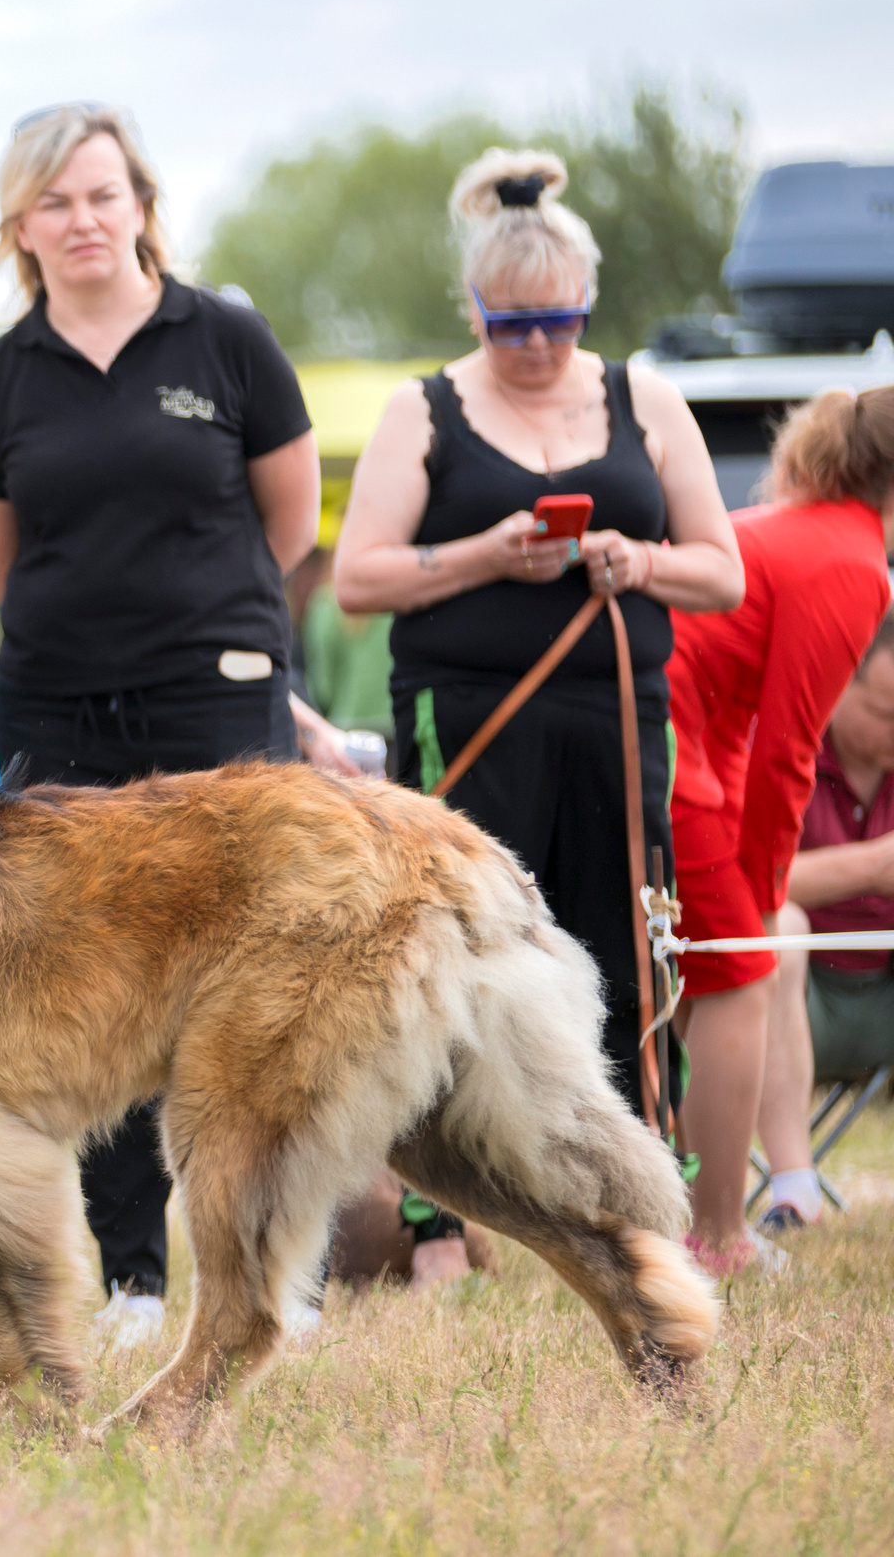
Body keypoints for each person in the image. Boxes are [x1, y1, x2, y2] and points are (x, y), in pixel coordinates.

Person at [0, 103, 340, 1350]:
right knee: (90, 989)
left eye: (101, 195)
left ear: (142, 205)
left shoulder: (224, 339)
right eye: (54, 201)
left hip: (214, 697)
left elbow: (288, 527)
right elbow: (1, 563)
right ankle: (132, 1282)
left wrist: (213, 633)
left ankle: (270, 1275)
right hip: (61, 710)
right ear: (19, 225)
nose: (81, 220)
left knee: (255, 991)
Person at [334, 152, 743, 1281]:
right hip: (464, 721)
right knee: (455, 962)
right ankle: (437, 1232)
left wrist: (638, 556)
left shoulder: (643, 399)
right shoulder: (422, 409)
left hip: (614, 714)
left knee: (624, 953)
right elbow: (357, 578)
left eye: (557, 322)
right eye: (512, 325)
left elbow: (723, 571)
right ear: (474, 310)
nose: (536, 345)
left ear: (588, 306)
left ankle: (644, 1212)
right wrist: (483, 555)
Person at [667, 388, 894, 1275]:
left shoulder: (800, 528)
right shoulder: (850, 561)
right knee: (738, 975)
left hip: (683, 750)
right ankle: (714, 1237)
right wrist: (760, 898)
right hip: (683, 756)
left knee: (711, 978)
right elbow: (792, 749)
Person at [761, 595, 894, 1233]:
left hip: (885, 991)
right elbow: (749, 885)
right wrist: (870, 867)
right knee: (778, 924)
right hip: (796, 998)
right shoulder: (785, 749)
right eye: (887, 713)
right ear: (841, 685)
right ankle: (793, 1188)